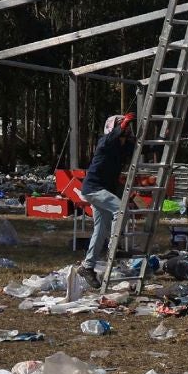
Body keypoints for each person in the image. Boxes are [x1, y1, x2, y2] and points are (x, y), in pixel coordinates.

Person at [74, 113, 136, 290]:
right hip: (94, 189)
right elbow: (110, 138)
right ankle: (113, 247)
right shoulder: (105, 142)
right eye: (123, 126)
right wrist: (122, 127)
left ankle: (87, 267)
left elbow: (142, 148)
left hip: (103, 191)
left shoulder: (122, 146)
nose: (126, 130)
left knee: (100, 229)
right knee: (121, 210)